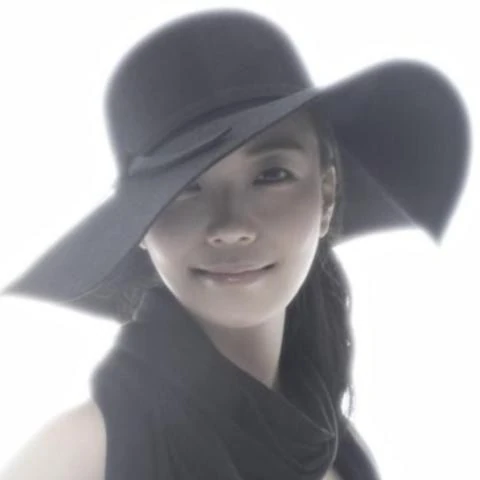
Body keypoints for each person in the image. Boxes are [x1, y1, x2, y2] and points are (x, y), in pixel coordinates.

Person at [0, 8, 469, 480]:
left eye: (271, 175)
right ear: (140, 223)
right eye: (184, 187)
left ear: (326, 196)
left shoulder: (335, 448)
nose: (230, 225)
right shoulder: (78, 457)